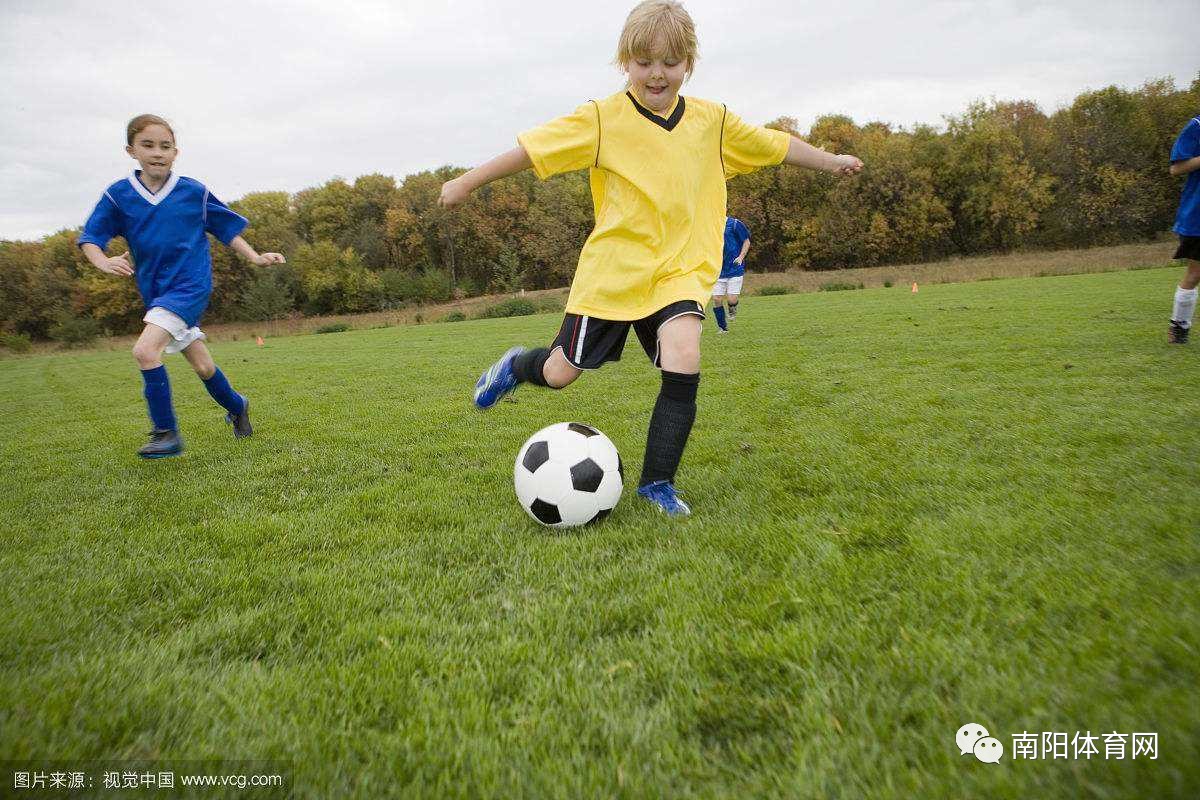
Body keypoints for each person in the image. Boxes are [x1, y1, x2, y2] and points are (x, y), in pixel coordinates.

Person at [440, 0, 861, 516]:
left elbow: (777, 146)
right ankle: (515, 366)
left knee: (685, 356)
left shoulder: (714, 122)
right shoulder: (601, 119)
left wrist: (832, 160)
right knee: (560, 374)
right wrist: (465, 182)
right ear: (625, 62)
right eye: (644, 62)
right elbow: (532, 152)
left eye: (670, 62)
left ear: (689, 63)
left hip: (681, 271)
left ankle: (657, 483)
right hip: (614, 275)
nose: (657, 74)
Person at [77, 114, 285, 458]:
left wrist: (255, 257)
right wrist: (103, 261)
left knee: (145, 352)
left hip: (190, 287)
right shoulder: (118, 196)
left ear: (176, 152)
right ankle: (238, 405)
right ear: (131, 151)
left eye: (165, 146)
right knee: (203, 366)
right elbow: (91, 238)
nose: (157, 152)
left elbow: (226, 229)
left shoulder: (193, 192)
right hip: (156, 295)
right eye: (147, 145)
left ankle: (165, 433)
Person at [1168, 114, 1200, 344]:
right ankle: (1179, 328)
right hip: (1197, 215)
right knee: (1195, 273)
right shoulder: (1196, 126)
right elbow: (1176, 168)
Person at [711, 216, 750, 333]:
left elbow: (746, 241)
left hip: (734, 268)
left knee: (732, 299)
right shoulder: (710, 225)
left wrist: (741, 257)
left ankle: (732, 308)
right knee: (717, 298)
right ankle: (722, 328)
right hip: (718, 269)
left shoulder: (735, 224)